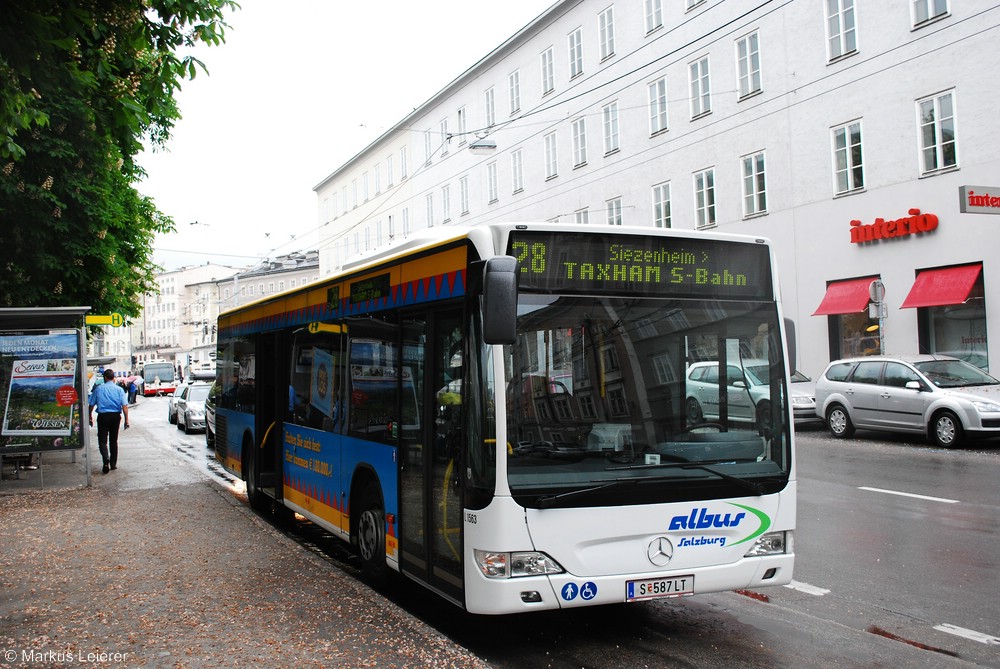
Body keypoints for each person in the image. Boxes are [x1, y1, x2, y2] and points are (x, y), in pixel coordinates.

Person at [88, 368, 130, 474]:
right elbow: (124, 406)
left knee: (102, 441)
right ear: (113, 378)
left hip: (103, 417)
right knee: (113, 441)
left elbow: (91, 404)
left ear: (105, 378)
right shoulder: (119, 390)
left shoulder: (98, 389)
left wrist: (89, 416)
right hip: (115, 417)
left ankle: (105, 459)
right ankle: (113, 464)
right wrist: (126, 420)